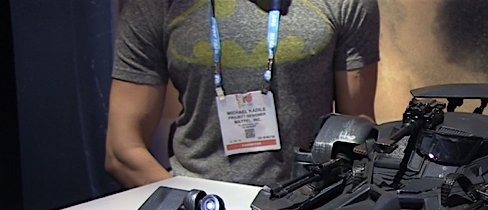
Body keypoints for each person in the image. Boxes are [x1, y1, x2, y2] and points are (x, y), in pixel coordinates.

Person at [106, 0, 380, 188]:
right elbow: (122, 151)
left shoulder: (345, 3)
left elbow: (356, 132)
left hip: (307, 207)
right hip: (196, 207)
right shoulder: (155, 6)